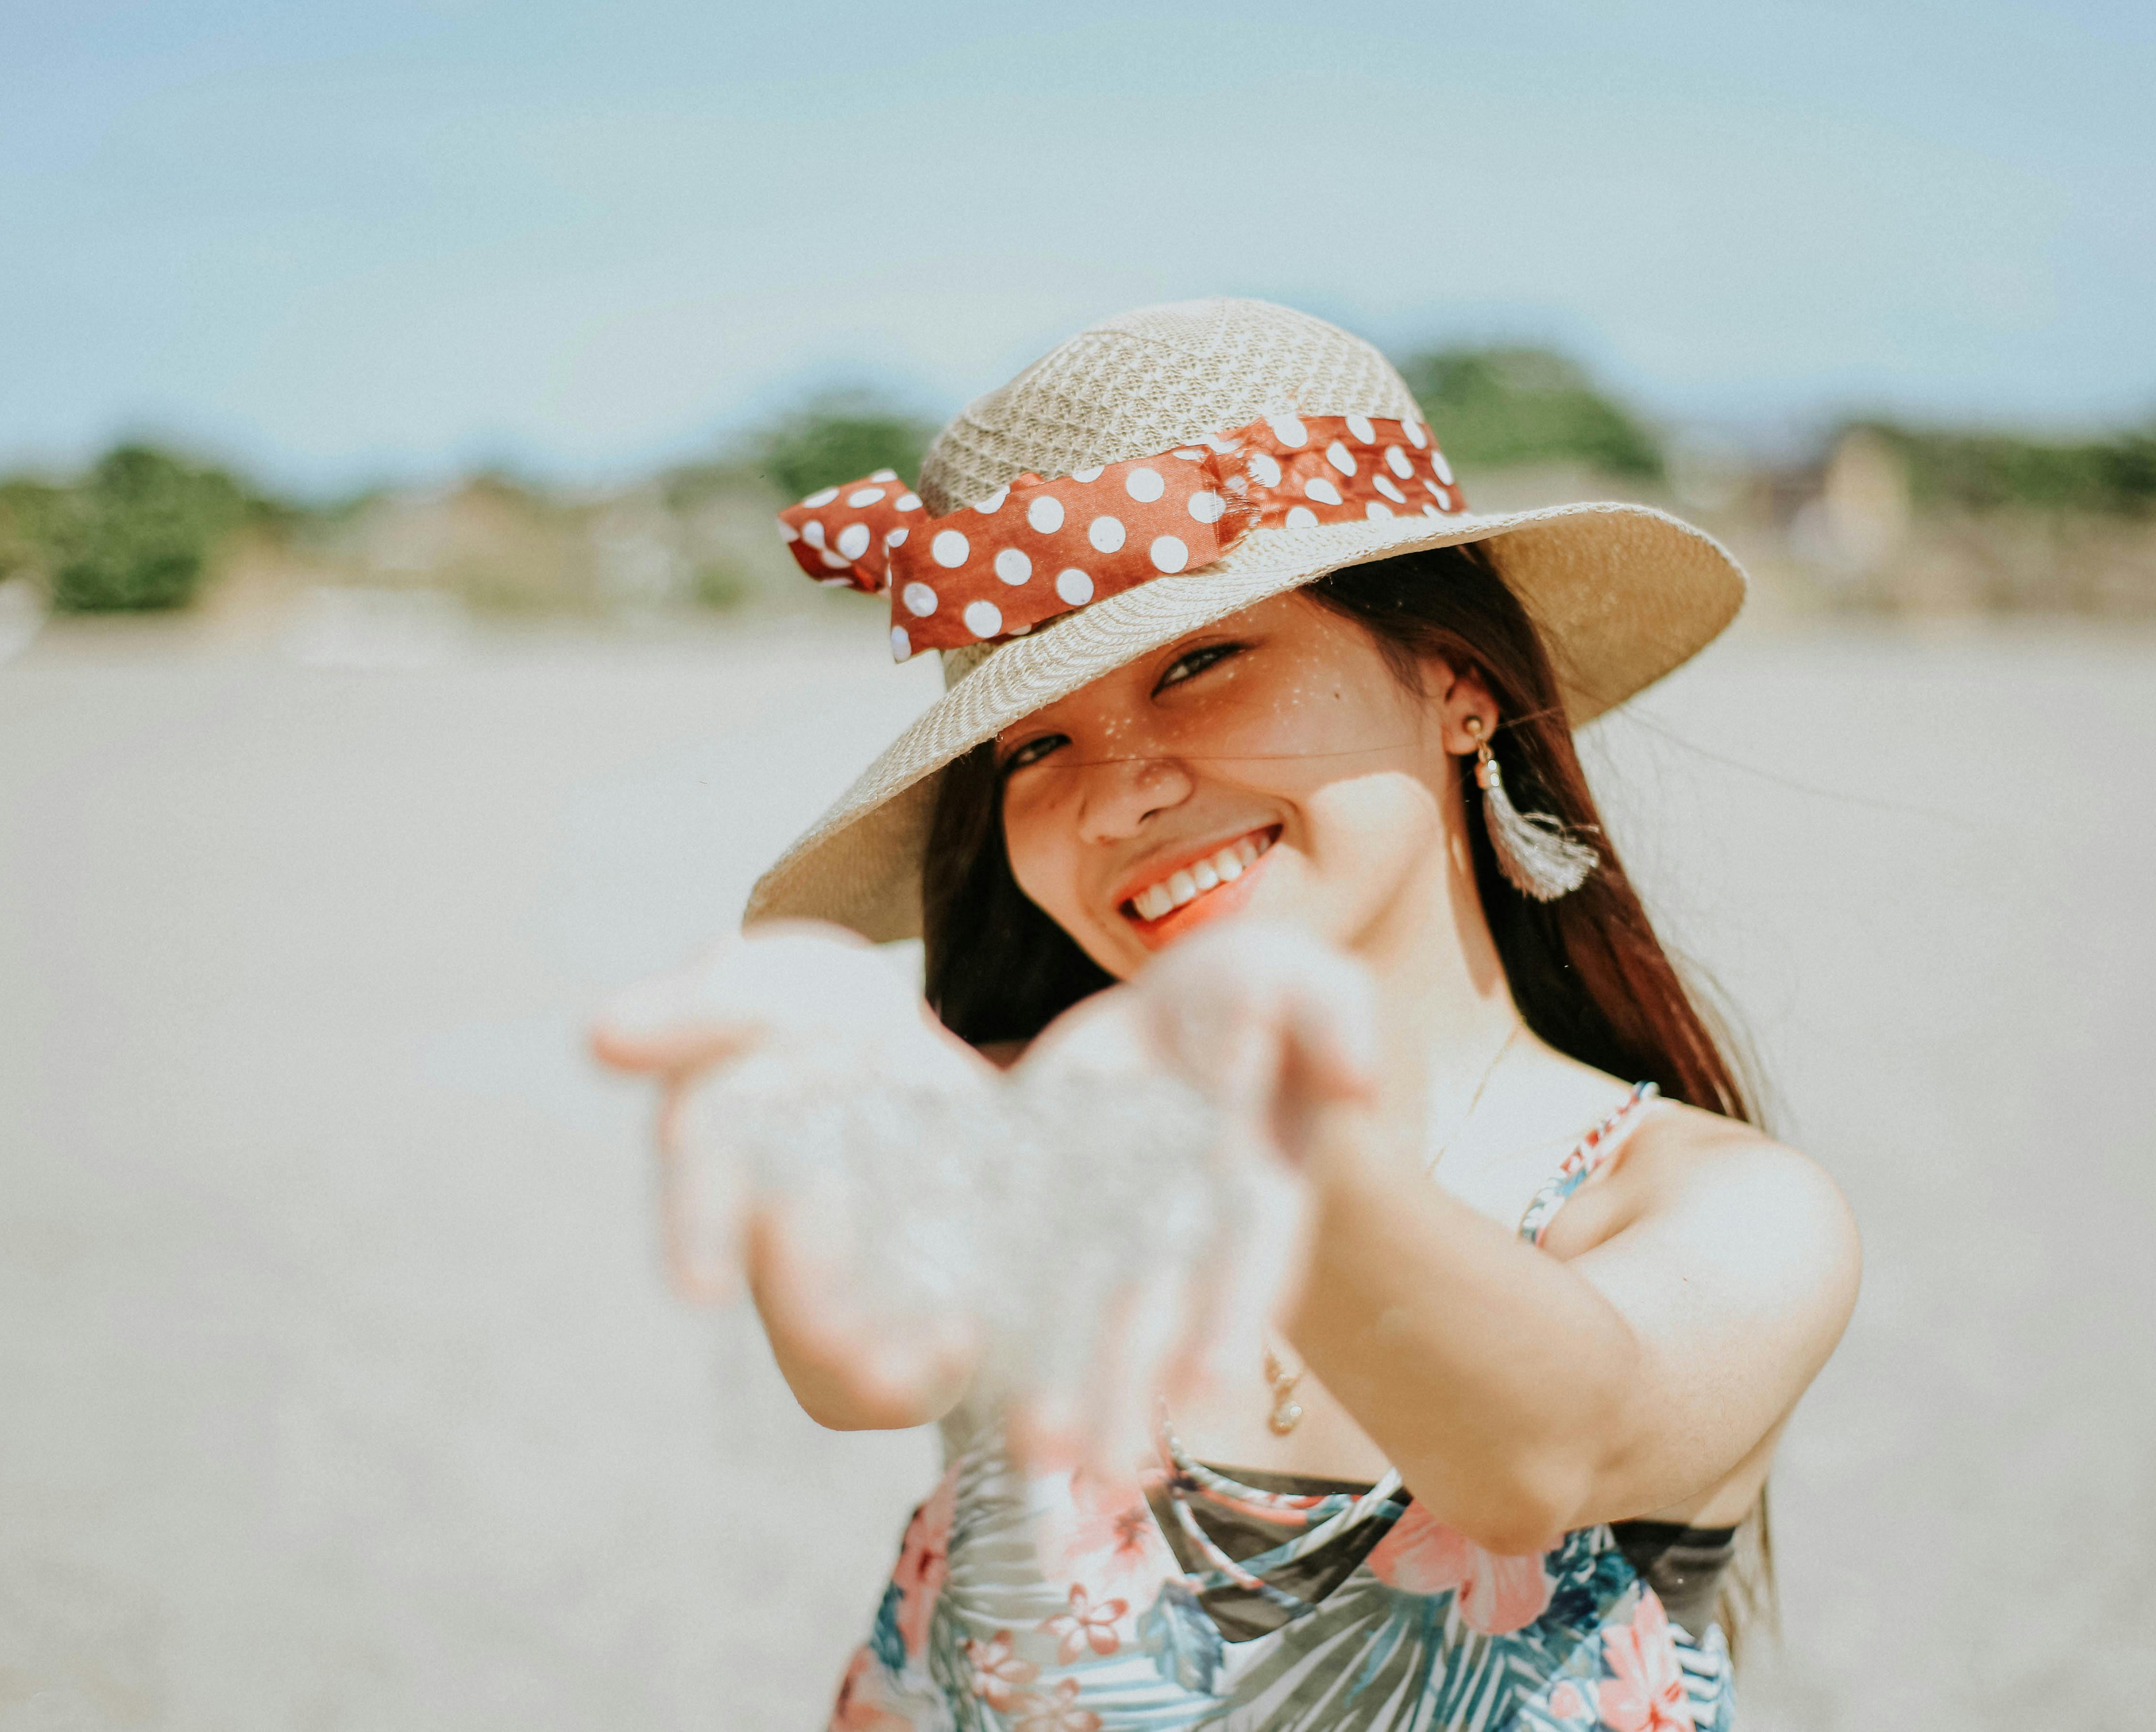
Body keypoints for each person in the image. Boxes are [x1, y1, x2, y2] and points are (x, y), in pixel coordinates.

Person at [592, 299, 1860, 1732]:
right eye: (1039, 744)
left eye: (1198, 663)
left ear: (1457, 684)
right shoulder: (1040, 1124)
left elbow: (1537, 1456)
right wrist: (835, 1084)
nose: (1120, 787)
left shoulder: (1723, 1208)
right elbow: (866, 1357)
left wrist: (1250, 1107)